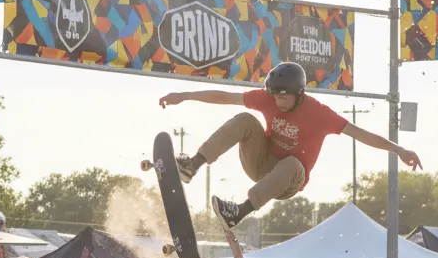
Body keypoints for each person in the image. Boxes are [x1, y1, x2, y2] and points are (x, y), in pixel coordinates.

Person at [160, 61, 422, 228]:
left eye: (284, 99)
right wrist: (184, 95)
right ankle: (193, 165)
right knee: (244, 119)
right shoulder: (268, 98)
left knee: (293, 163)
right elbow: (226, 96)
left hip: (288, 181)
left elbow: (361, 134)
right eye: (275, 98)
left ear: (300, 93)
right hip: (260, 164)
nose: (278, 103)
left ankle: (238, 212)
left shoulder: (320, 113)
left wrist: (399, 149)